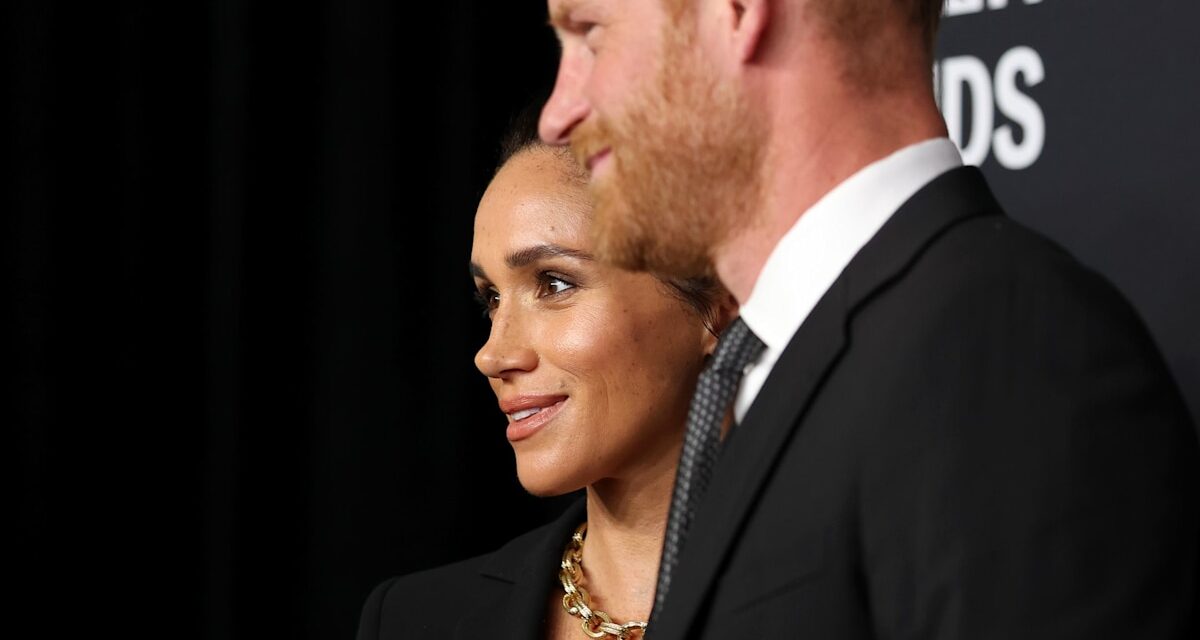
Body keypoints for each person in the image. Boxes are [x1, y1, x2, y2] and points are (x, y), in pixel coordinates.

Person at [538, 0, 1200, 638]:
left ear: (737, 10)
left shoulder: (1004, 347)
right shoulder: (768, 368)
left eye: (592, 34)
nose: (556, 115)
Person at [357, 111, 734, 639]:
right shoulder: (412, 621)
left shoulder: (854, 602)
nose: (492, 355)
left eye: (554, 284)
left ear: (721, 302)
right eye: (491, 298)